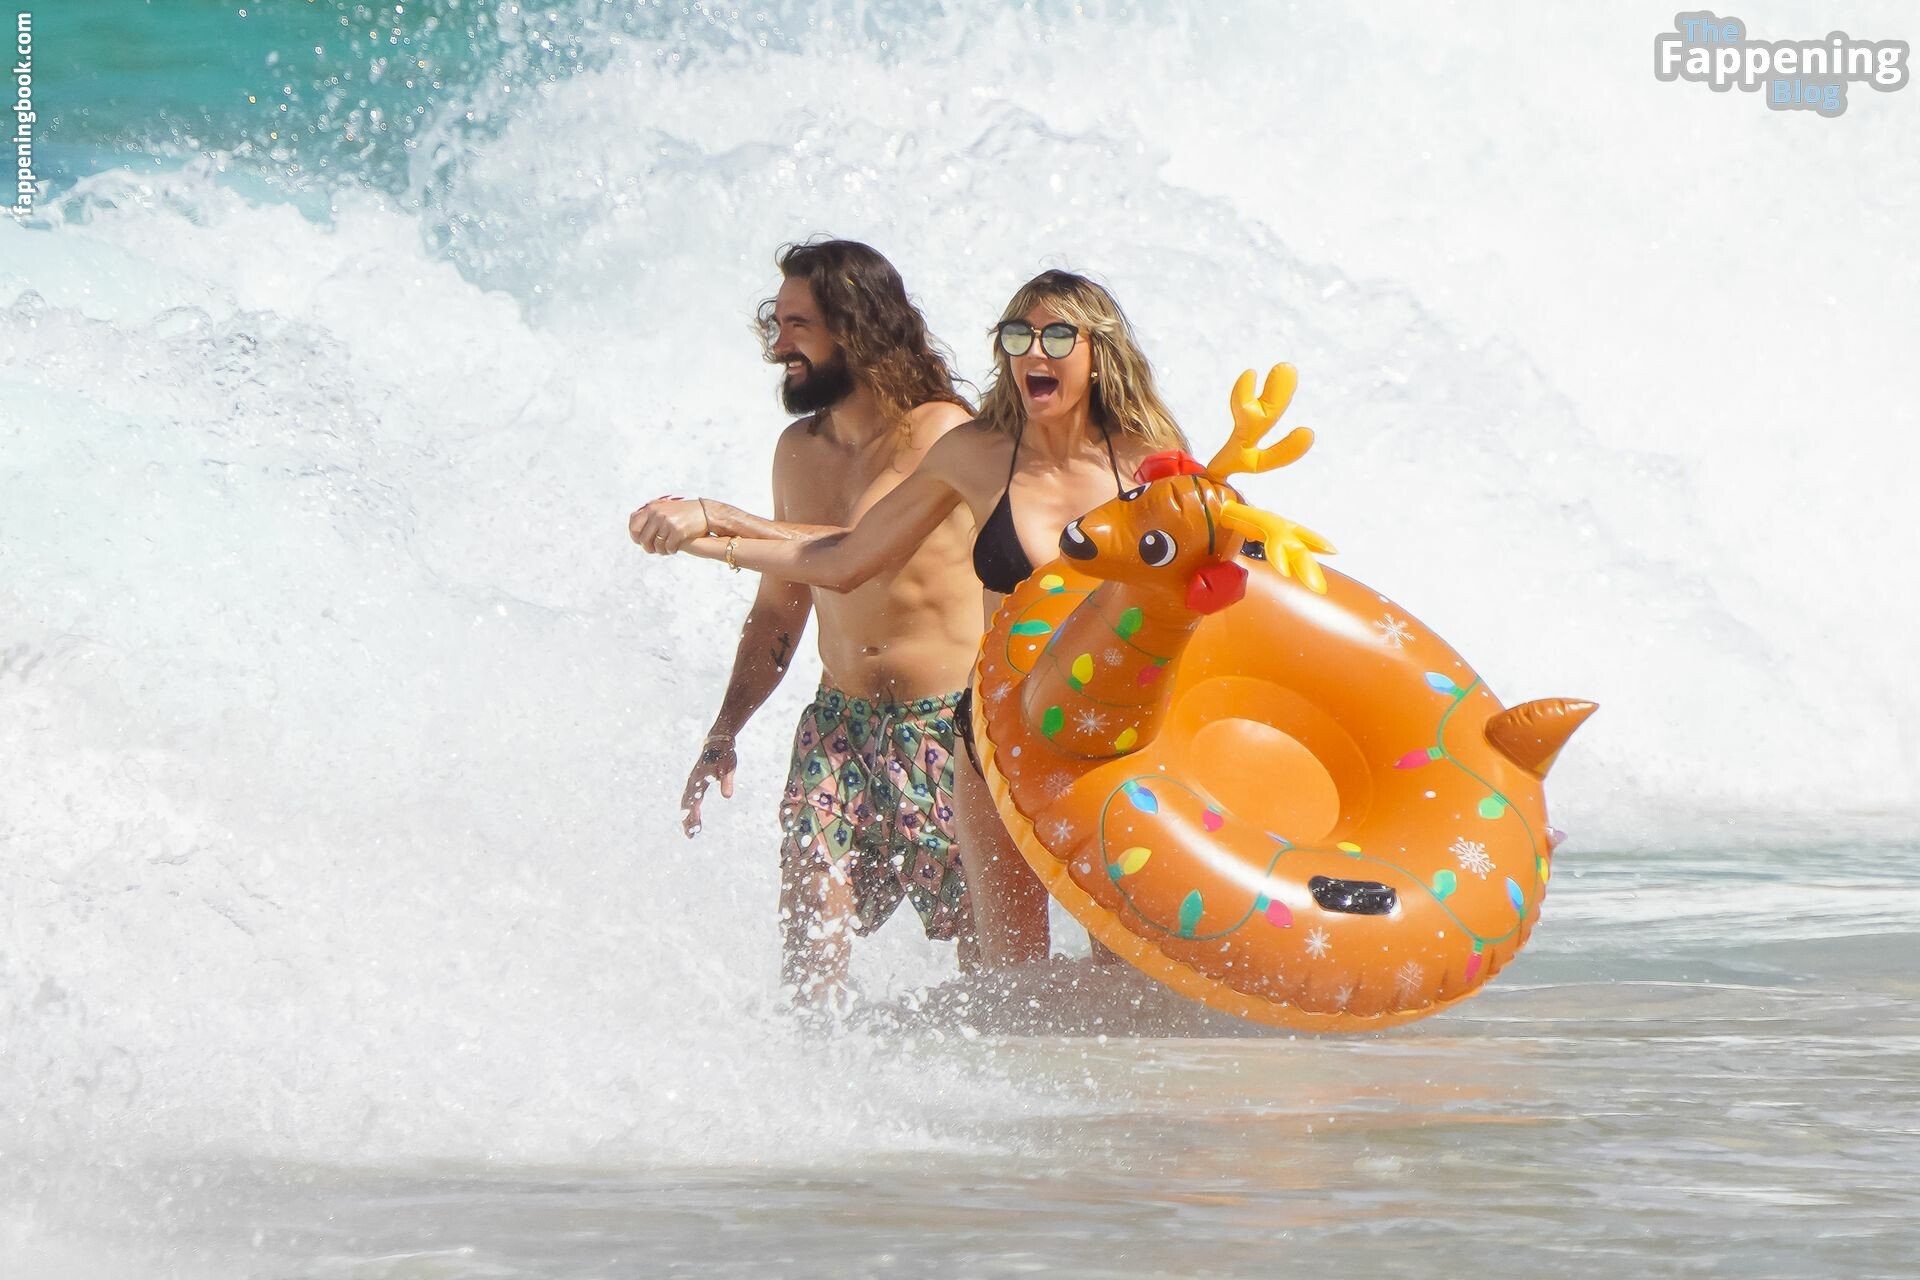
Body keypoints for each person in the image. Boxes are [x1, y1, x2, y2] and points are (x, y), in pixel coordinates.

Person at [638, 270, 1187, 969]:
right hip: (995, 740)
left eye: (1056, 336)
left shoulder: (1151, 465)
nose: (1032, 352)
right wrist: (709, 536)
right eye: (1017, 335)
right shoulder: (976, 454)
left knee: (1123, 967)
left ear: (1098, 352)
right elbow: (848, 557)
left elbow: (1219, 586)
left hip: (1112, 739)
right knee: (1009, 981)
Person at [629, 239, 979, 1006]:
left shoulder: (940, 433)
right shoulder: (798, 451)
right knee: (810, 958)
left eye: (798, 326)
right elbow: (778, 608)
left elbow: (857, 553)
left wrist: (711, 521)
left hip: (949, 729)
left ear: (856, 328)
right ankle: (817, 1069)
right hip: (838, 727)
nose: (778, 346)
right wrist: (724, 730)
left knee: (986, 964)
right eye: (777, 324)